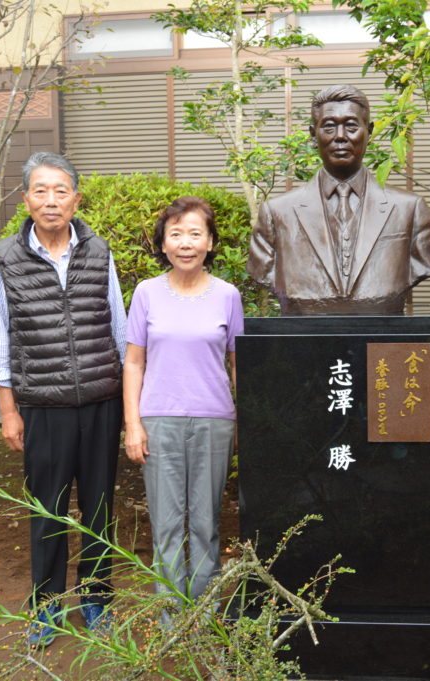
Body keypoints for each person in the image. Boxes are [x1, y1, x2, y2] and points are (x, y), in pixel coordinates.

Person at [0, 151, 126, 646]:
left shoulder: (98, 251)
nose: (51, 200)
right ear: (26, 199)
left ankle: (97, 599)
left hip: (101, 400)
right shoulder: (4, 258)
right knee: (47, 510)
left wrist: (128, 405)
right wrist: (8, 411)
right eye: (40, 191)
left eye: (60, 190)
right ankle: (45, 608)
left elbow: (120, 329)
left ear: (75, 198)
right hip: (42, 406)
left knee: (100, 508)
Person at [122, 196, 243, 620]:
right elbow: (134, 361)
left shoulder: (228, 295)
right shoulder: (146, 293)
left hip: (214, 421)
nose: (185, 243)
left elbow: (237, 362)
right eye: (176, 234)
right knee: (168, 523)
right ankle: (171, 614)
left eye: (195, 233)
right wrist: (133, 424)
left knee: (207, 522)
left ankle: (206, 611)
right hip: (159, 421)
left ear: (210, 243)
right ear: (163, 243)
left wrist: (244, 420)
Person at [247, 84, 430, 315]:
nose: (340, 137)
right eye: (329, 127)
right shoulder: (277, 212)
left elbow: (424, 261)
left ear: (368, 132)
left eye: (351, 126)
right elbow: (263, 271)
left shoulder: (409, 208)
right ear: (313, 134)